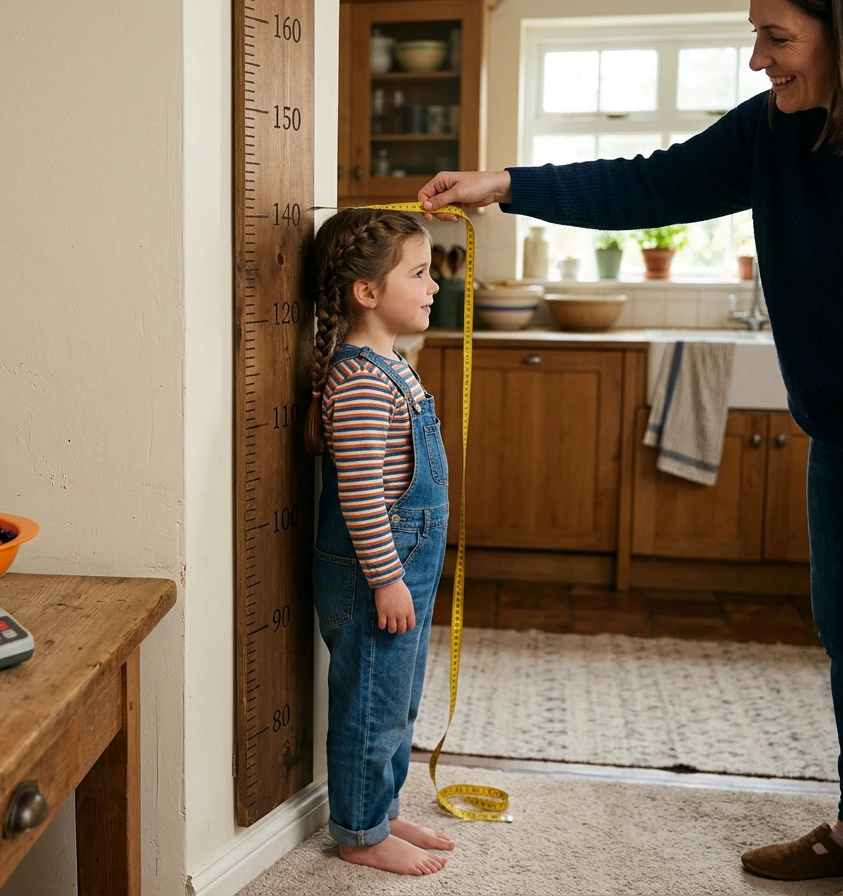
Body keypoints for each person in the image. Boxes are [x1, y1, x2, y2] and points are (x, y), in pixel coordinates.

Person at [417, 0, 843, 881]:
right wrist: (505, 183)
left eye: (778, 37)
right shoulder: (771, 133)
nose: (757, 57)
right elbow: (647, 184)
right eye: (756, 31)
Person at [304, 208, 456, 876]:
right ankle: (359, 833)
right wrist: (388, 579)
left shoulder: (388, 366)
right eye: (419, 274)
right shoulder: (363, 382)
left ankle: (381, 806)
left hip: (402, 568)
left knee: (398, 700)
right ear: (366, 292)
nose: (435, 286)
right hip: (379, 574)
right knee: (370, 702)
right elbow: (362, 498)